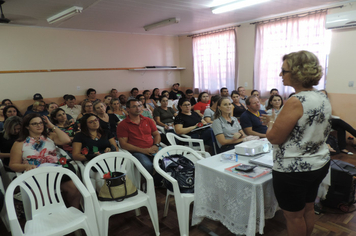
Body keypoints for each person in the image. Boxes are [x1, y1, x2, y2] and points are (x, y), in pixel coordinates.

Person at [262, 50, 331, 236]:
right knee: (308, 208)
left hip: (295, 170)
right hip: (319, 163)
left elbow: (275, 138)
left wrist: (270, 124)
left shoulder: (296, 101)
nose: (280, 75)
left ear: (298, 72)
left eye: (283, 71)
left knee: (293, 216)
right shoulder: (322, 96)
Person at [9, 113, 81, 209]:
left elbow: (67, 140)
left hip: (55, 172)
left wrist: (51, 126)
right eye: (34, 124)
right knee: (44, 197)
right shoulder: (20, 143)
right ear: (27, 127)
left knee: (74, 189)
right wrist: (26, 166)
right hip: (36, 174)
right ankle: (48, 216)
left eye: (41, 123)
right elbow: (13, 164)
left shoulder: (50, 137)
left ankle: (75, 210)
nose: (39, 126)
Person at [117, 99, 161, 184]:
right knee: (147, 165)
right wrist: (144, 150)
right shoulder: (123, 125)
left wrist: (156, 145)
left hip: (153, 147)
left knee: (167, 161)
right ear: (127, 109)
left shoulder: (148, 120)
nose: (138, 108)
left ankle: (156, 181)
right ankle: (154, 183)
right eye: (134, 106)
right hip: (137, 151)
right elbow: (123, 145)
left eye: (139, 106)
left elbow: (157, 134)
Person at [320, 89, 356, 155]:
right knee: (339, 122)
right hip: (320, 123)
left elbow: (328, 115)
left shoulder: (326, 104)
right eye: (321, 94)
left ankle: (342, 148)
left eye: (324, 95)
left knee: (341, 127)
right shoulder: (315, 104)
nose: (323, 96)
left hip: (327, 121)